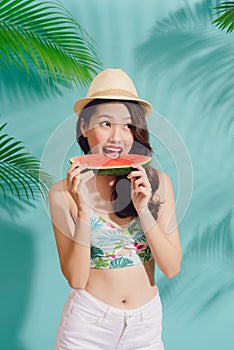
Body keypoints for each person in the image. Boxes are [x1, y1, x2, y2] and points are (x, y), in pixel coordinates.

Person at [48, 68, 182, 349]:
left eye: (128, 126)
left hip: (145, 326)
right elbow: (76, 278)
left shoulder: (158, 184)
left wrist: (144, 210)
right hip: (87, 325)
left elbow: (171, 268)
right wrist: (84, 211)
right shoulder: (61, 193)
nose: (117, 137)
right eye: (106, 124)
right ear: (84, 126)